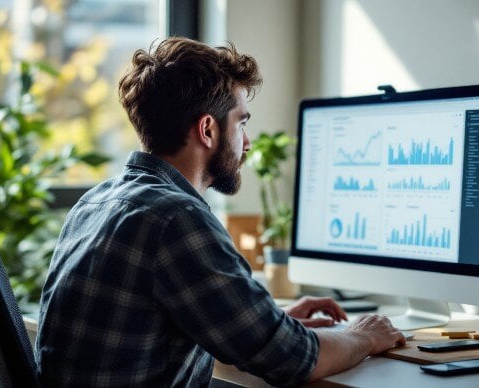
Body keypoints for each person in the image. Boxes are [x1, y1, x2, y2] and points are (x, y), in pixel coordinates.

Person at [35, 37, 405, 387]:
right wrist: (363, 336)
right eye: (242, 123)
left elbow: (153, 332)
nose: (247, 143)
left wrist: (264, 323)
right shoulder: (176, 217)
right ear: (208, 129)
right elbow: (292, 360)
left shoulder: (96, 202)